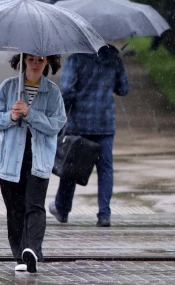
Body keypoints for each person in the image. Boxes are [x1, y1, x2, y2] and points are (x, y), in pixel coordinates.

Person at [0, 54, 66, 274]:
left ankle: (32, 250)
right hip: (11, 159)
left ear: (47, 62)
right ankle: (19, 255)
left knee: (34, 205)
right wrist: (10, 117)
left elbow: (56, 125)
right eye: (31, 58)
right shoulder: (8, 87)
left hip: (38, 157)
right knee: (14, 209)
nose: (35, 63)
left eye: (40, 59)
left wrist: (30, 114)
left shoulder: (53, 93)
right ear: (23, 60)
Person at [49, 44, 129, 227]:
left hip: (80, 123)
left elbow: (68, 91)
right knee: (105, 169)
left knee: (71, 167)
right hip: (105, 124)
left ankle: (62, 209)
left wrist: (64, 114)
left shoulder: (76, 59)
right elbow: (124, 89)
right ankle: (104, 214)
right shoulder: (113, 57)